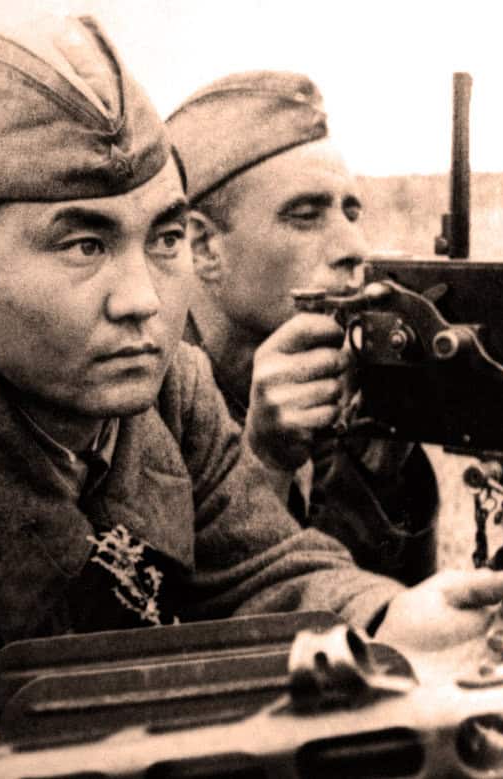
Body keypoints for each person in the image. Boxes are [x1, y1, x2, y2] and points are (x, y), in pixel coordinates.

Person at [0, 15, 503, 747]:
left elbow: (269, 569)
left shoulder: (171, 395)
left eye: (163, 241)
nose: (143, 300)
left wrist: (387, 620)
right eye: (84, 244)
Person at [165, 72, 441, 585]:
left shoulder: (329, 376)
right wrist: (264, 463)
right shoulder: (141, 406)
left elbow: (366, 611)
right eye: (306, 215)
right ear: (203, 248)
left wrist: (379, 464)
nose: (353, 246)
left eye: (351, 211)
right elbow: (175, 632)